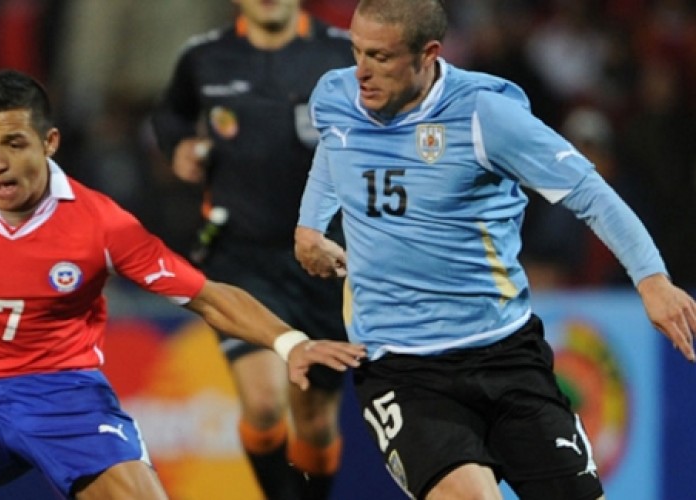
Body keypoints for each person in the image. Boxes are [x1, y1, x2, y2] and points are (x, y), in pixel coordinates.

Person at [0, 69, 365, 500]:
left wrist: (290, 343)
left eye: (13, 144)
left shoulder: (98, 222)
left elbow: (208, 297)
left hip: (70, 402)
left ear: (50, 143)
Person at [294, 1, 696, 500]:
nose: (361, 72)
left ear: (429, 54)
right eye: (356, 51)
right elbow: (334, 150)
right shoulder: (336, 96)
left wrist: (651, 277)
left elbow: (589, 192)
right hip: (402, 365)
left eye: (379, 56)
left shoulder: (485, 116)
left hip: (506, 354)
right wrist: (309, 226)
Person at [150, 1, 355, 498]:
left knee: (314, 419)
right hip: (239, 258)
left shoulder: (342, 52)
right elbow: (171, 114)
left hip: (325, 260)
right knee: (263, 405)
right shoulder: (204, 57)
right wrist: (178, 146)